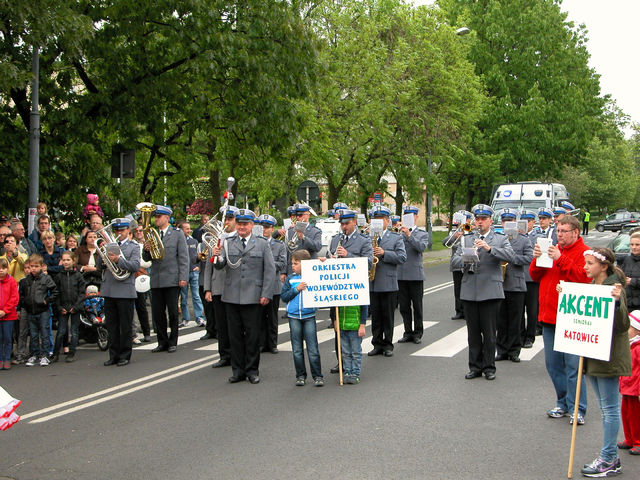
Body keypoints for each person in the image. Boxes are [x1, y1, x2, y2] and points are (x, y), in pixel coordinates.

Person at [530, 215, 590, 422]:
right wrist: (538, 258)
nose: (559, 235)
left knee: (574, 367)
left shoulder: (585, 253)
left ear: (576, 232)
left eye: (564, 231)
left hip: (572, 319)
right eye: (558, 231)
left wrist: (560, 258)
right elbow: (535, 276)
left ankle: (578, 409)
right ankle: (563, 402)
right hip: (549, 317)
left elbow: (583, 278)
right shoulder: (553, 249)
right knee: (553, 365)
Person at [577, 247, 631, 477]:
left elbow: (622, 325)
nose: (585, 267)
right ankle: (611, 457)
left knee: (609, 409)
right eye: (585, 263)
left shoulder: (613, 289)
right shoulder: (593, 287)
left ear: (603, 266)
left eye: (589, 263)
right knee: (604, 408)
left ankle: (609, 458)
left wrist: (617, 303)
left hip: (608, 356)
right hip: (594, 354)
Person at [451, 204, 515, 381]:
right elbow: (453, 262)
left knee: (489, 333)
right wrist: (466, 257)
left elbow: (511, 257)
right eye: (477, 219)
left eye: (483, 219)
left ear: (490, 221)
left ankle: (489, 367)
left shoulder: (499, 238)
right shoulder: (466, 238)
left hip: (490, 291)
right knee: (473, 333)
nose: (480, 222)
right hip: (470, 290)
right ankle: (475, 367)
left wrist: (489, 248)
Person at [212, 209, 276, 384]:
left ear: (252, 225)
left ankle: (252, 370)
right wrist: (216, 256)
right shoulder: (228, 242)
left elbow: (269, 271)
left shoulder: (262, 243)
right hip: (231, 295)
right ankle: (237, 370)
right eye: (239, 223)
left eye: (245, 224)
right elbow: (220, 266)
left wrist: (266, 294)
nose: (242, 227)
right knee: (234, 336)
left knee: (253, 336)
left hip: (253, 296)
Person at [326, 209, 373, 373]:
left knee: (351, 330)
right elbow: (331, 258)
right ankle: (341, 362)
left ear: (354, 222)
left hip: (353, 289)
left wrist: (348, 254)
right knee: (337, 324)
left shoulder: (364, 240)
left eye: (346, 223)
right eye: (342, 224)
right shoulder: (335, 240)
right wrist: (330, 260)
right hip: (337, 288)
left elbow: (368, 262)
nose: (344, 227)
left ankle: (353, 366)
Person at [144, 206, 189, 353]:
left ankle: (173, 341)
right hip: (156, 278)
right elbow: (147, 259)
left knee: (173, 312)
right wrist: (146, 250)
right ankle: (161, 341)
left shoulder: (177, 234)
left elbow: (183, 257)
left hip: (171, 278)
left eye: (159, 217)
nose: (156, 219)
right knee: (157, 313)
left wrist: (183, 277)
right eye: (155, 217)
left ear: (167, 218)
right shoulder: (153, 234)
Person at [367, 205, 406, 357]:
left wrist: (384, 253)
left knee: (388, 316)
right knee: (376, 316)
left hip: (388, 283)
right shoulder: (367, 237)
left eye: (380, 219)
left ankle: (388, 344)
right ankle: (376, 343)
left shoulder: (395, 237)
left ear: (387, 221)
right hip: (373, 281)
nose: (377, 221)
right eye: (375, 219)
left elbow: (402, 257)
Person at [101, 218, 141, 366]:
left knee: (125, 325)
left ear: (128, 231)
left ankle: (125, 355)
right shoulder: (110, 246)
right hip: (109, 289)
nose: (119, 233)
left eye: (122, 230)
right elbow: (100, 266)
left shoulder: (134, 247)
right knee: (111, 325)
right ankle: (113, 355)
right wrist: (102, 254)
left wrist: (118, 260)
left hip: (124, 289)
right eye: (117, 231)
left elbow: (135, 266)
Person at [280, 249, 323, 386]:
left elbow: (324, 274)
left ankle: (317, 376)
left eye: (296, 263)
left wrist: (322, 262)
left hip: (309, 315)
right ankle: (300, 375)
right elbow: (284, 296)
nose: (293, 266)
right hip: (293, 317)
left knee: (313, 349)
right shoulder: (290, 279)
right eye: (292, 263)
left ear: (304, 264)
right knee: (297, 349)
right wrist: (296, 289)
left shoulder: (312, 276)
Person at [495, 209, 533, 363]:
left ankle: (514, 350)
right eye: (504, 221)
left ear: (516, 223)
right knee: (501, 320)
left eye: (510, 221)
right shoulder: (496, 239)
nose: (506, 224)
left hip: (516, 283)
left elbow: (529, 258)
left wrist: (512, 258)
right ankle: (502, 350)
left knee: (515, 320)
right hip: (499, 284)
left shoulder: (523, 239)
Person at [203, 206, 239, 367]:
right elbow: (208, 266)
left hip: (235, 286)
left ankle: (238, 355)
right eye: (225, 219)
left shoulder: (240, 239)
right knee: (221, 324)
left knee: (236, 324)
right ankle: (224, 355)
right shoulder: (216, 239)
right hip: (218, 286)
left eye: (230, 219)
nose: (227, 222)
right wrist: (208, 288)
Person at [396, 205, 428, 344]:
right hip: (401, 274)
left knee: (417, 306)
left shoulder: (422, 234)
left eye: (411, 215)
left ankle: (418, 332)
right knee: (404, 307)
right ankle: (407, 331)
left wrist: (409, 235)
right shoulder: (398, 234)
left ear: (416, 217)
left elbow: (421, 247)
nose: (409, 217)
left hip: (415, 275)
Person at [19, 254, 58, 366]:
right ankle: (33, 355)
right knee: (33, 335)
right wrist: (25, 303)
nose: (33, 268)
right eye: (31, 266)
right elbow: (21, 294)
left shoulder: (46, 278)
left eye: (36, 266)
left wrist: (47, 300)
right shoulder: (26, 280)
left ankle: (45, 355)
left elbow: (55, 291)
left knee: (45, 333)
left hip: (43, 310)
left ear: (41, 266)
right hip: (31, 310)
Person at [257, 214, 286, 354]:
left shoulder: (279, 245)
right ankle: (262, 343)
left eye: (267, 227)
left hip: (274, 285)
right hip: (259, 285)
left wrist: (267, 263)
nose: (264, 230)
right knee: (260, 317)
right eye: (262, 227)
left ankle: (272, 343)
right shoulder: (255, 243)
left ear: (272, 228)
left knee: (272, 316)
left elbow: (282, 263)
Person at [51, 251, 85, 363]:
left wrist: (76, 306)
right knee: (61, 331)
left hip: (75, 307)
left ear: (73, 261)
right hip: (63, 307)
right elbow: (56, 294)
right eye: (64, 260)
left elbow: (81, 293)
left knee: (74, 331)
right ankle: (55, 353)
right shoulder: (59, 277)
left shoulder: (78, 276)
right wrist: (60, 307)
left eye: (68, 260)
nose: (65, 262)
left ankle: (71, 353)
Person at [444, 210, 472, 320]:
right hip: (457, 265)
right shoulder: (454, 231)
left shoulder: (472, 230)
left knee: (468, 287)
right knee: (458, 289)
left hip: (469, 264)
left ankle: (468, 311)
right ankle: (459, 311)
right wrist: (455, 236)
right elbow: (445, 242)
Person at [619, 310, 640, 456]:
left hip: (635, 388)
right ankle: (629, 438)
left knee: (635, 416)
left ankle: (638, 441)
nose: (627, 331)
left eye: (630, 328)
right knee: (625, 413)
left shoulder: (637, 348)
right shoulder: (629, 345)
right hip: (626, 386)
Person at [177, 220, 205, 328]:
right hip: (183, 273)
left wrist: (198, 262)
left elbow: (196, 256)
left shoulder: (194, 241)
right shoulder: (178, 241)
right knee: (183, 297)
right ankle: (185, 318)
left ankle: (199, 317)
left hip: (194, 271)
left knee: (196, 296)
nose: (189, 230)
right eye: (187, 228)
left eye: (189, 228)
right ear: (181, 230)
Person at [519, 209, 539, 348]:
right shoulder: (515, 236)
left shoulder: (539, 237)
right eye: (523, 221)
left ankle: (530, 336)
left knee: (532, 310)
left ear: (533, 222)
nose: (526, 224)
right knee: (519, 310)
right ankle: (520, 335)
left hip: (532, 278)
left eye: (529, 221)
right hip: (518, 277)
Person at [284, 204, 322, 273]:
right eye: (296, 215)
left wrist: (304, 238)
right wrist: (284, 272)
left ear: (308, 215)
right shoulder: (290, 231)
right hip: (292, 270)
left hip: (309, 269)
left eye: (300, 215)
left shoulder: (315, 231)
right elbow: (286, 253)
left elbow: (317, 247)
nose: (298, 217)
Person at [131, 224, 151, 342]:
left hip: (142, 276)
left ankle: (146, 332)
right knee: (132, 307)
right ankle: (133, 333)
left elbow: (148, 262)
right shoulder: (132, 244)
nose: (138, 232)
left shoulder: (147, 243)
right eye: (136, 231)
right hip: (132, 276)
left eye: (140, 231)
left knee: (141, 306)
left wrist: (136, 263)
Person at [0, 258, 19, 370]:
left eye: (3, 268)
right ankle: (0, 359)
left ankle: (6, 358)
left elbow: (14, 298)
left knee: (8, 338)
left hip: (9, 316)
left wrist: (5, 311)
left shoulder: (11, 281)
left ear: (7, 269)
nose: (1, 270)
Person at [621, 232, 640, 312]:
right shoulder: (627, 260)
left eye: (637, 245)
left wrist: (633, 281)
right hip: (628, 305)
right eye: (631, 244)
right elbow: (621, 276)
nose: (634, 247)